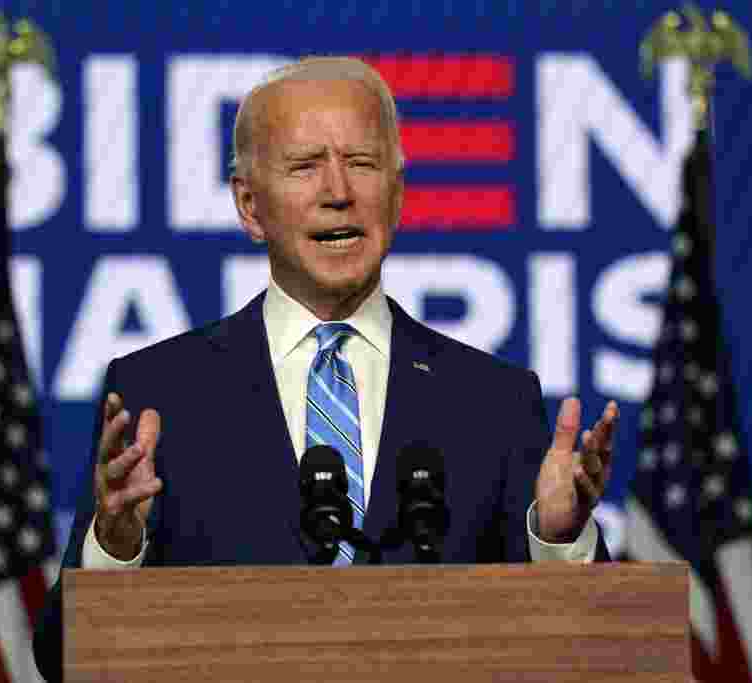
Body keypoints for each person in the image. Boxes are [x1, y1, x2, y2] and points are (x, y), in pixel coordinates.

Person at [33, 56, 618, 681]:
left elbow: (599, 651)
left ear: (397, 193)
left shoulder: (494, 401)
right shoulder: (159, 393)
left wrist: (557, 543)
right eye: (305, 166)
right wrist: (118, 549)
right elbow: (61, 659)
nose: (337, 192)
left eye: (361, 164)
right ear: (250, 207)